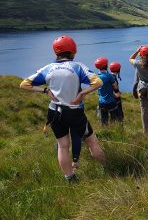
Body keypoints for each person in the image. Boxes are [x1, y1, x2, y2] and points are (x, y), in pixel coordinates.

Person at [20, 35, 106, 182]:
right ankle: (107, 168)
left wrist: (45, 91)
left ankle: (70, 178)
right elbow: (98, 82)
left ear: (56, 52)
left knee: (63, 145)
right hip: (74, 111)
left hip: (54, 112)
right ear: (73, 51)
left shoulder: (48, 68)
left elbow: (24, 84)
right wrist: (82, 93)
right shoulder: (77, 67)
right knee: (91, 141)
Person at [94, 57, 119, 125]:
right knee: (115, 117)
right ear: (105, 66)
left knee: (104, 119)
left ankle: (105, 130)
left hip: (101, 101)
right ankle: (114, 129)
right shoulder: (109, 76)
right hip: (110, 101)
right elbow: (115, 86)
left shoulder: (96, 76)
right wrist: (116, 93)